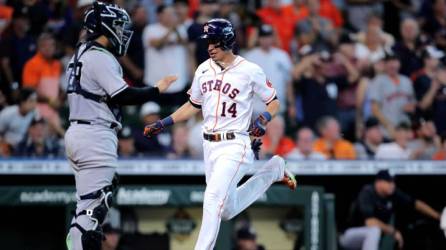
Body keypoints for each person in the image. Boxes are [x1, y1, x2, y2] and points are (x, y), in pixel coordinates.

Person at [143, 19, 297, 250]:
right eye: (208, 42)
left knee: (213, 198)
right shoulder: (203, 69)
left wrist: (263, 119)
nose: (209, 47)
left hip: (235, 144)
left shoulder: (249, 70)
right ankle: (273, 170)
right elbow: (193, 105)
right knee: (225, 210)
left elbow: (273, 102)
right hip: (210, 147)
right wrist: (164, 122)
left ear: (227, 40)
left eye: (214, 42)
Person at [64, 3, 176, 250]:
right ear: (103, 27)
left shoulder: (80, 53)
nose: (122, 32)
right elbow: (122, 95)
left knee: (87, 207)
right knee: (93, 211)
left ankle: (75, 244)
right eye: (118, 26)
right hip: (95, 134)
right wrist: (156, 90)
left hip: (80, 132)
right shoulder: (99, 56)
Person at [340, 170, 441, 250]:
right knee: (374, 230)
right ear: (378, 182)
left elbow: (415, 203)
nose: (392, 185)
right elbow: (370, 222)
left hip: (370, 240)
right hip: (349, 236)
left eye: (393, 181)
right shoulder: (367, 192)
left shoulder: (392, 193)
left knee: (375, 232)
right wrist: (393, 231)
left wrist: (437, 216)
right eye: (388, 182)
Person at [143, 4, 189, 107]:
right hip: (155, 82)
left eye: (173, 14)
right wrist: (171, 29)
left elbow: (184, 42)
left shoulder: (180, 29)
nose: (171, 17)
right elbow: (157, 45)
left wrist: (175, 28)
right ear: (158, 15)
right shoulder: (150, 29)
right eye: (168, 14)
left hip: (178, 83)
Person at [244, 24, 294, 116]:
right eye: (263, 37)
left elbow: (288, 82)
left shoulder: (282, 55)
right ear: (258, 39)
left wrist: (291, 105)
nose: (266, 40)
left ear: (273, 38)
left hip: (278, 107)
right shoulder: (250, 56)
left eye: (268, 37)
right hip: (256, 108)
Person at [22, 33, 64, 136]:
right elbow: (29, 90)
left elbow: (60, 87)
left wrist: (59, 100)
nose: (48, 48)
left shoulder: (57, 65)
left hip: (53, 111)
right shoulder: (32, 64)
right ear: (38, 47)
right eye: (44, 46)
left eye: (51, 45)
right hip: (37, 112)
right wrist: (50, 100)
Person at [369, 51, 416, 139]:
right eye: (389, 61)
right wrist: (389, 126)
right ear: (385, 64)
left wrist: (411, 108)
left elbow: (413, 104)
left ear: (399, 63)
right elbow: (374, 109)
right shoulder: (378, 81)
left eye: (395, 61)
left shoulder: (407, 81)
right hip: (386, 131)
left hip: (405, 129)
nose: (392, 64)